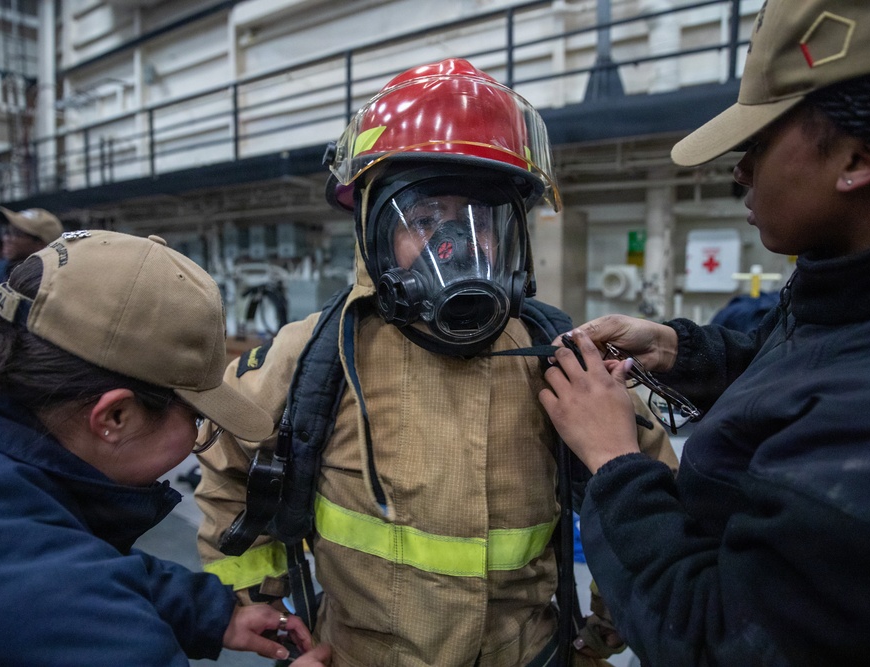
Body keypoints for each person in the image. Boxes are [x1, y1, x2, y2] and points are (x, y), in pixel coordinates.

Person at [195, 58, 676, 666]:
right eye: (422, 220)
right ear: (374, 232)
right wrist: (264, 607)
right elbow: (228, 465)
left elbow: (640, 486)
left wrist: (608, 628)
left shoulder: (558, 357)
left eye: (480, 221)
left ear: (512, 236)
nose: (455, 247)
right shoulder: (315, 352)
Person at [539, 1, 870, 664]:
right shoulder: (864, 296)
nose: (740, 170)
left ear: (858, 158)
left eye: (759, 144)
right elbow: (801, 361)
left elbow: (717, 638)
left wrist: (613, 459)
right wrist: (678, 349)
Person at [0, 230, 330, 666]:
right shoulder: (71, 614)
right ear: (115, 417)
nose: (196, 440)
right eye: (197, 419)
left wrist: (206, 612)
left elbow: (65, 560)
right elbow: (67, 593)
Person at [0, 206, 64, 311]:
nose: (6, 238)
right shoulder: (2, 272)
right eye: (6, 231)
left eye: (15, 233)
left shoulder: (46, 286)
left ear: (41, 244)